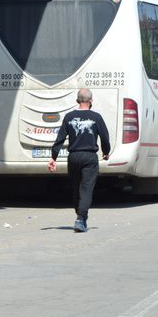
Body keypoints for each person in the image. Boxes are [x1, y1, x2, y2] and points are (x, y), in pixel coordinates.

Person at [48, 88, 111, 232]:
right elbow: (105, 137)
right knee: (86, 189)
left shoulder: (69, 117)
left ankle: (80, 216)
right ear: (91, 101)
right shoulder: (96, 117)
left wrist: (53, 157)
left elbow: (60, 138)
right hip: (89, 157)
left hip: (74, 157)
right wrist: (106, 152)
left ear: (78, 101)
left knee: (77, 189)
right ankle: (81, 218)